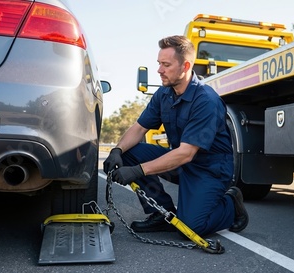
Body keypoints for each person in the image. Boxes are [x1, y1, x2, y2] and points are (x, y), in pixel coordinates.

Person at [103, 35, 248, 236]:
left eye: (166, 64)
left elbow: (186, 153)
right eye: (159, 63)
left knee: (190, 227)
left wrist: (138, 171)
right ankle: (161, 214)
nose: (159, 70)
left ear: (185, 66)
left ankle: (231, 204)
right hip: (182, 163)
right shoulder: (164, 94)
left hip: (209, 170)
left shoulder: (206, 100)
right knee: (130, 153)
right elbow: (139, 128)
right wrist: (116, 151)